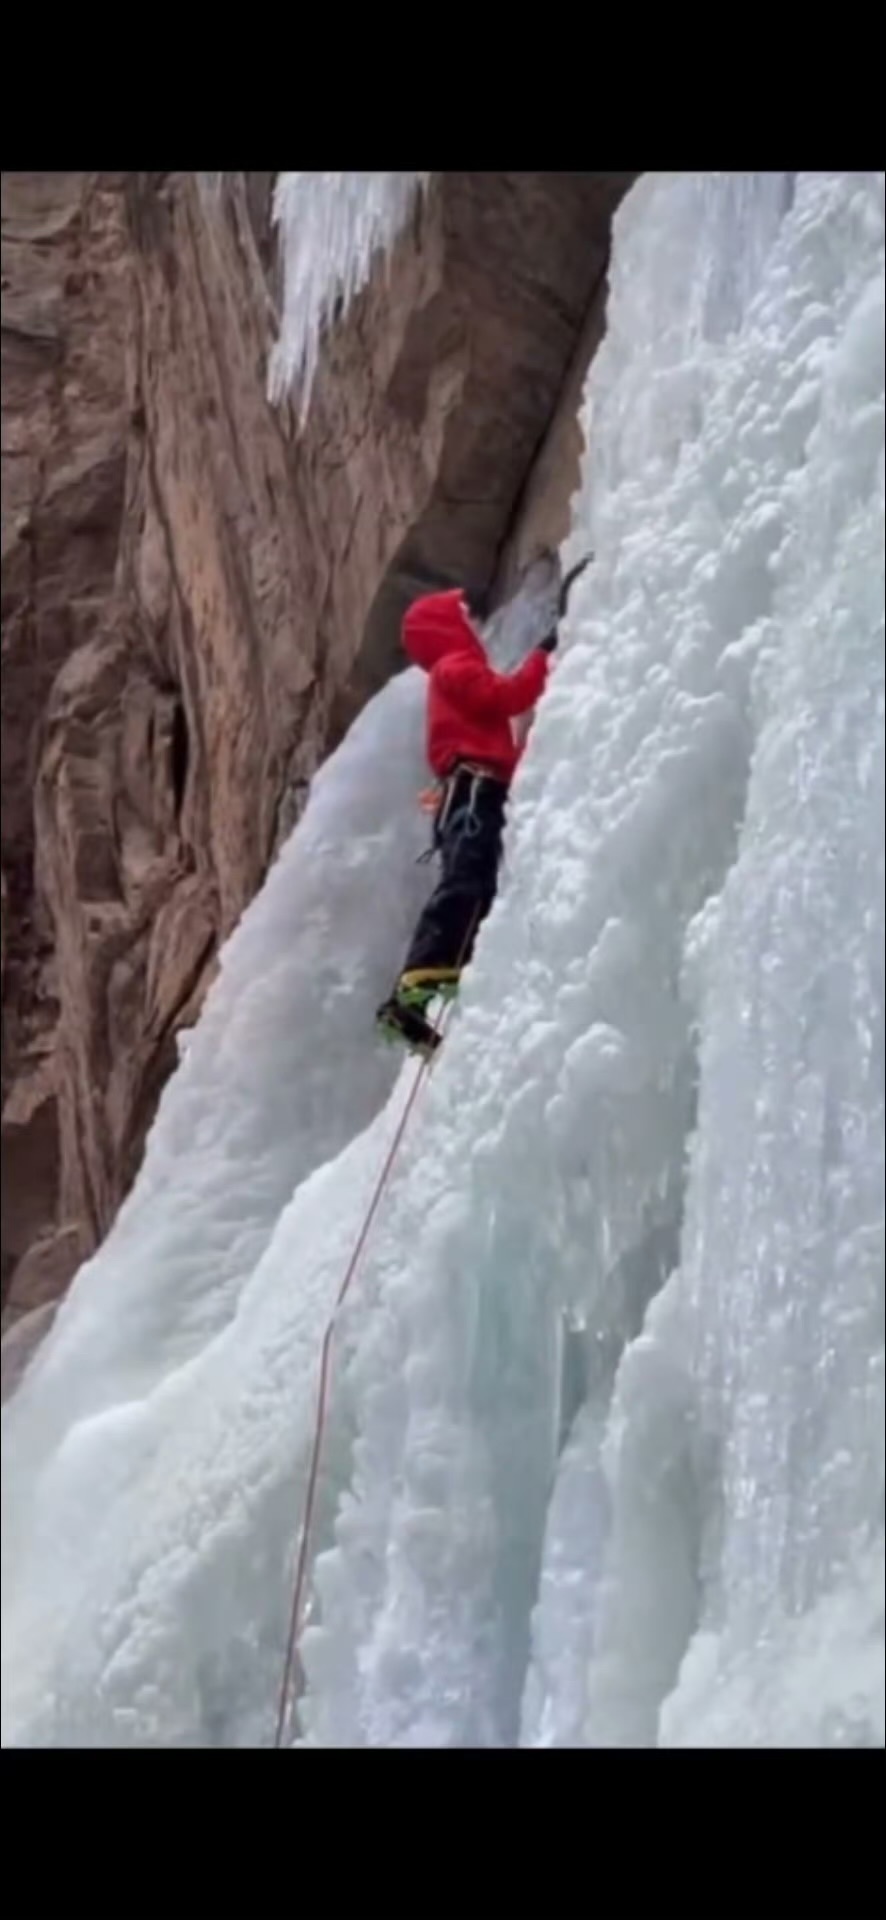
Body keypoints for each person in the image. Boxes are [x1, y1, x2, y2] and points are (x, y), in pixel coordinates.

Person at [376, 557, 591, 1057]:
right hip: (476, 789)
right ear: (445, 630)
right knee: (468, 881)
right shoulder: (455, 667)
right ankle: (416, 985)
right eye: (461, 617)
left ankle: (441, 978)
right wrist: (548, 649)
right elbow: (508, 697)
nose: (471, 623)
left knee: (478, 886)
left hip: (470, 791)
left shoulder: (449, 675)